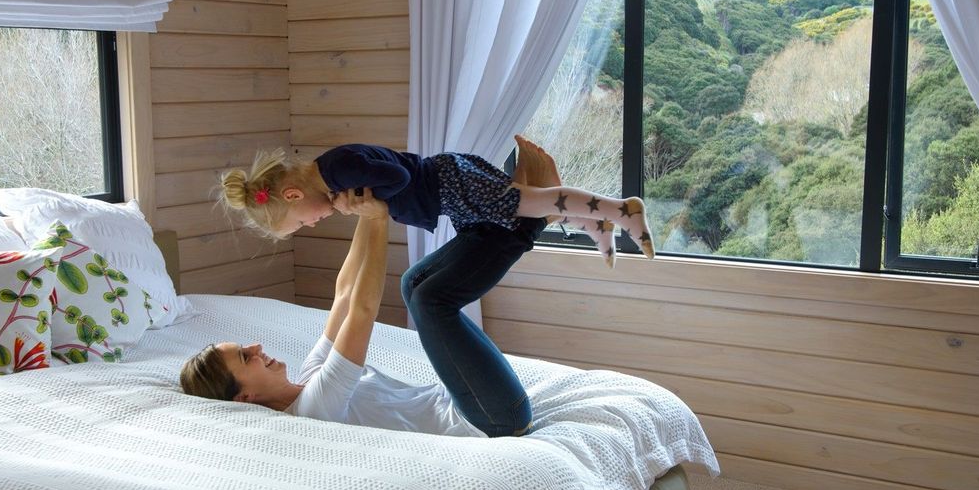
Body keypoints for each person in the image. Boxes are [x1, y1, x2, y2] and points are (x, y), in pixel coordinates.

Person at [179, 188, 497, 437]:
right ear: (244, 398)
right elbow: (362, 310)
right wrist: (378, 219)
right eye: (245, 357)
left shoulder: (310, 376)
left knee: (417, 286)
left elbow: (344, 294)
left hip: (458, 397)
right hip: (472, 422)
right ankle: (519, 222)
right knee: (428, 298)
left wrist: (364, 206)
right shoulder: (315, 408)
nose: (257, 348)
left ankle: (517, 219)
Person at [218, 136, 655, 268]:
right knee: (523, 210)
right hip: (450, 194)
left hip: (449, 184)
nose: (312, 225)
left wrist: (352, 197)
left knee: (533, 201)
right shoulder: (333, 170)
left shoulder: (337, 172)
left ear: (293, 195)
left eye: (300, 223)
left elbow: (399, 176)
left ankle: (621, 209)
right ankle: (592, 224)